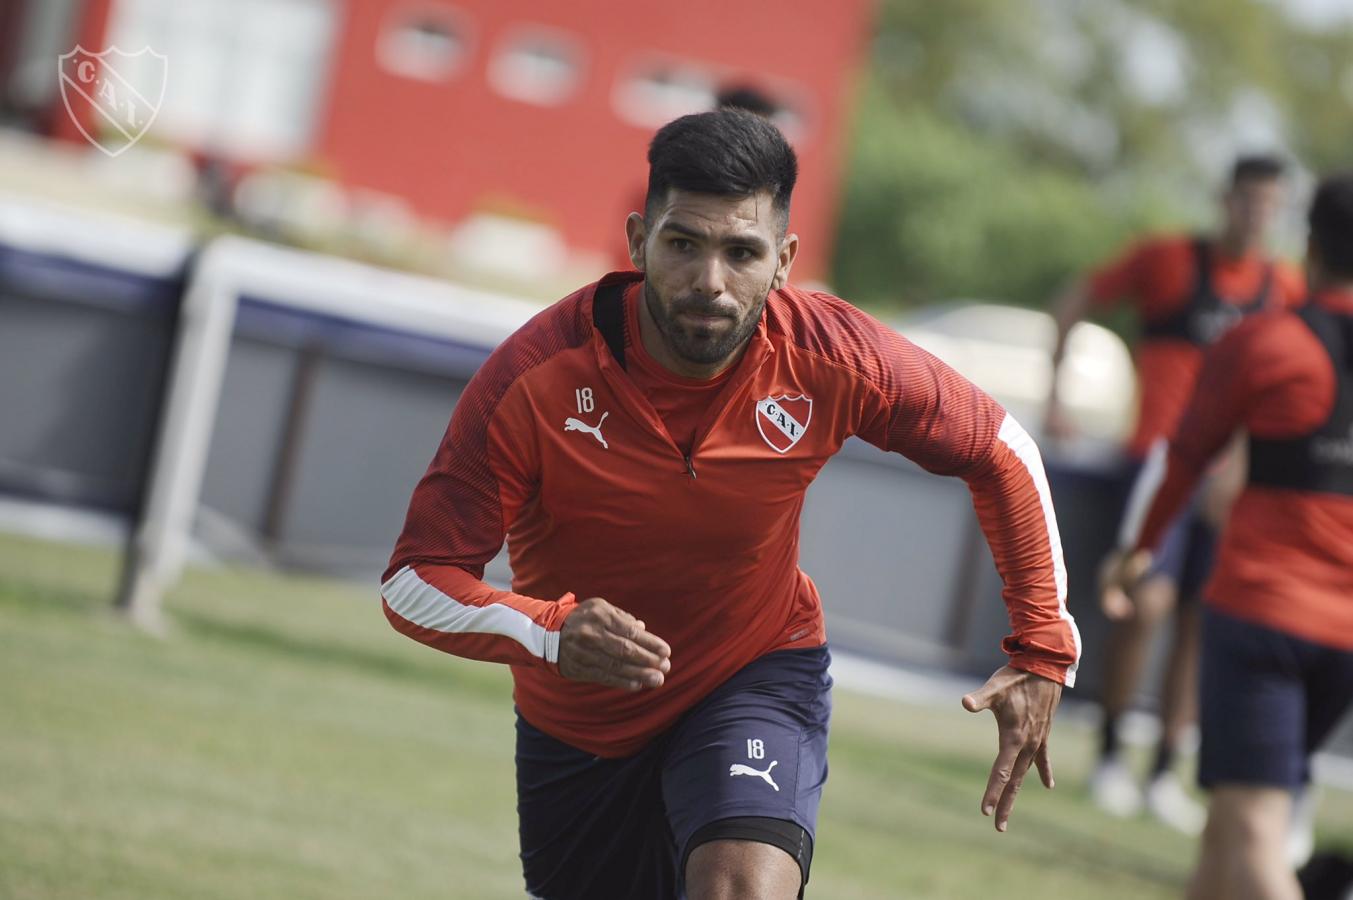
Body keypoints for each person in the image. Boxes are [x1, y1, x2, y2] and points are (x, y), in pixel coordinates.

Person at [381, 109, 1080, 900]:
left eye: (740, 252)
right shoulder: (536, 375)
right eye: (683, 244)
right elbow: (414, 581)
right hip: (578, 720)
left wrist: (1042, 648)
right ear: (639, 239)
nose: (709, 281)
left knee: (739, 889)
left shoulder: (833, 356)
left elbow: (1001, 449)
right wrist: (548, 634)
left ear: (782, 261)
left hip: (752, 675)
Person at [1105, 172, 1353, 900]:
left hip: (1261, 618)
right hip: (1343, 637)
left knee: (1249, 832)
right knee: (1224, 838)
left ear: (1307, 245)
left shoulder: (1264, 342)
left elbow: (1181, 460)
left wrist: (1136, 550)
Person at [1045, 155, 1305, 830]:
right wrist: (1056, 391)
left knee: (1199, 618)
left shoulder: (1283, 288)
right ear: (1225, 199)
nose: (1256, 215)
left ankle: (1164, 769)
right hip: (1160, 461)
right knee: (1145, 603)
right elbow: (1078, 296)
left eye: (1269, 204)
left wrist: (1253, 463)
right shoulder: (1165, 259)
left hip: (1227, 479)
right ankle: (1109, 754)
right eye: (1247, 200)